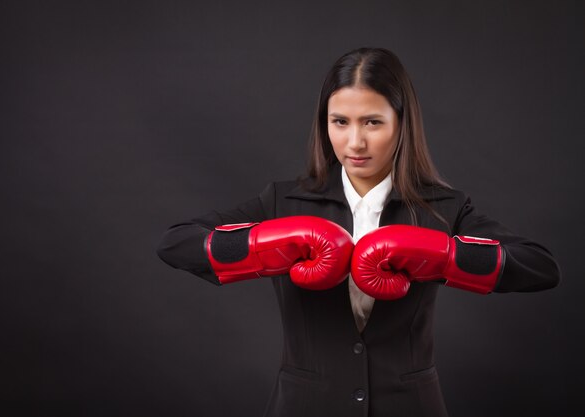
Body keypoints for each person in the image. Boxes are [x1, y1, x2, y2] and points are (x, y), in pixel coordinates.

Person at [155, 47, 561, 417]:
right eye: (340, 122)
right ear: (324, 123)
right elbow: (175, 242)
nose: (355, 141)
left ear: (402, 124)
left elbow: (541, 267)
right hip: (304, 407)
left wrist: (444, 256)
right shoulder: (283, 202)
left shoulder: (442, 207)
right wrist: (264, 244)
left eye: (372, 122)